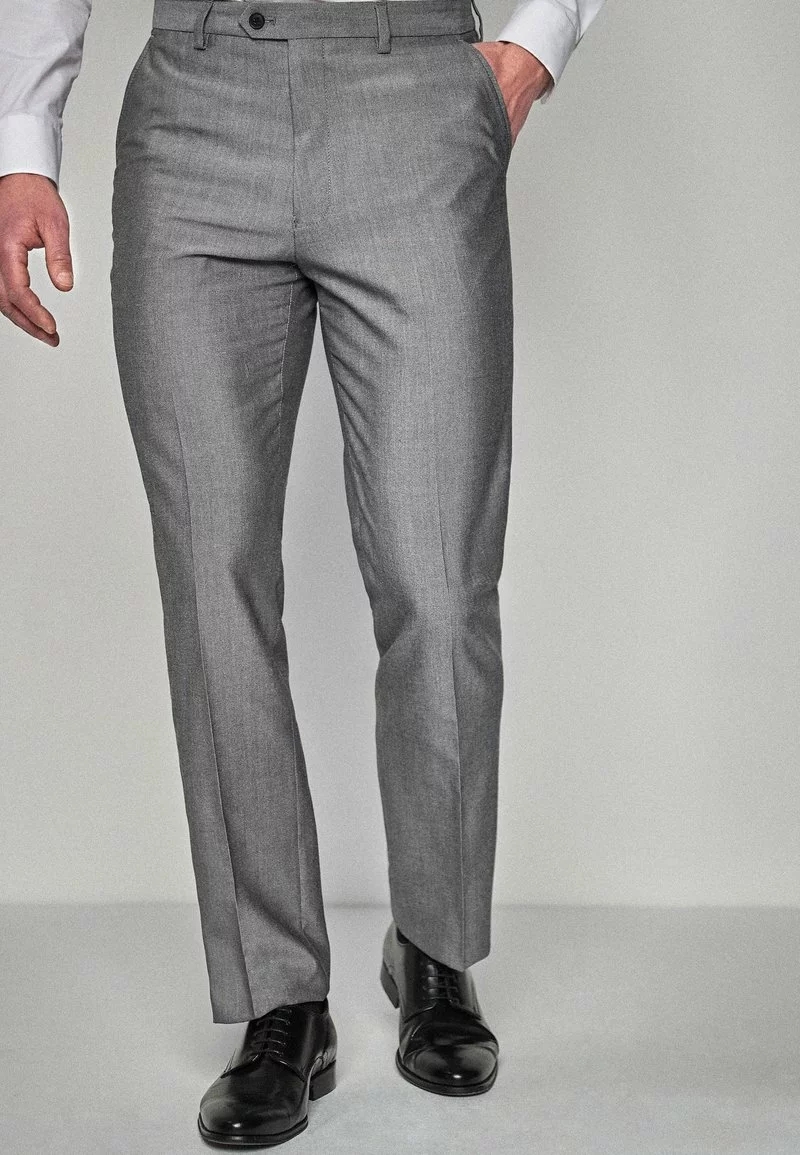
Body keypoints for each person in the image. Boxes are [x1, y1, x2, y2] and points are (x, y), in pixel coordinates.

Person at [0, 0, 605, 1145]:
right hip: (197, 110)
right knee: (212, 584)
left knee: (438, 581)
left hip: (413, 94)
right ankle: (280, 1001)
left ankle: (433, 948)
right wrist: (21, 142)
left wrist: (537, 42)